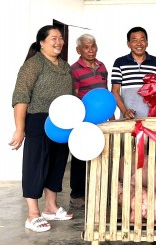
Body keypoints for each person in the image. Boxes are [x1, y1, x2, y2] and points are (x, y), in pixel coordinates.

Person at [9, 25, 73, 233]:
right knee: (36, 165)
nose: (58, 42)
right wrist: (20, 129)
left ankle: (51, 207)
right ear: (42, 42)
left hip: (62, 122)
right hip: (38, 120)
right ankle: (33, 214)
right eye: (53, 38)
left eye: (60, 38)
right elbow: (20, 97)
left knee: (57, 164)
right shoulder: (33, 65)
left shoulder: (65, 66)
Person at [70, 33, 111, 207]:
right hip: (84, 120)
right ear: (78, 50)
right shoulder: (74, 69)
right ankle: (77, 195)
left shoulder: (102, 67)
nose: (90, 50)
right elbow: (74, 94)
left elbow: (105, 91)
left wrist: (111, 113)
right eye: (86, 47)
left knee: (102, 154)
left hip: (102, 119)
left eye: (93, 46)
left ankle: (99, 191)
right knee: (81, 156)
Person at [111, 27, 156, 119]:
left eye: (142, 40)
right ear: (129, 44)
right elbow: (114, 91)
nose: (139, 44)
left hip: (152, 119)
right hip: (128, 119)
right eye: (135, 40)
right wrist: (125, 111)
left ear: (147, 43)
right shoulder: (120, 62)